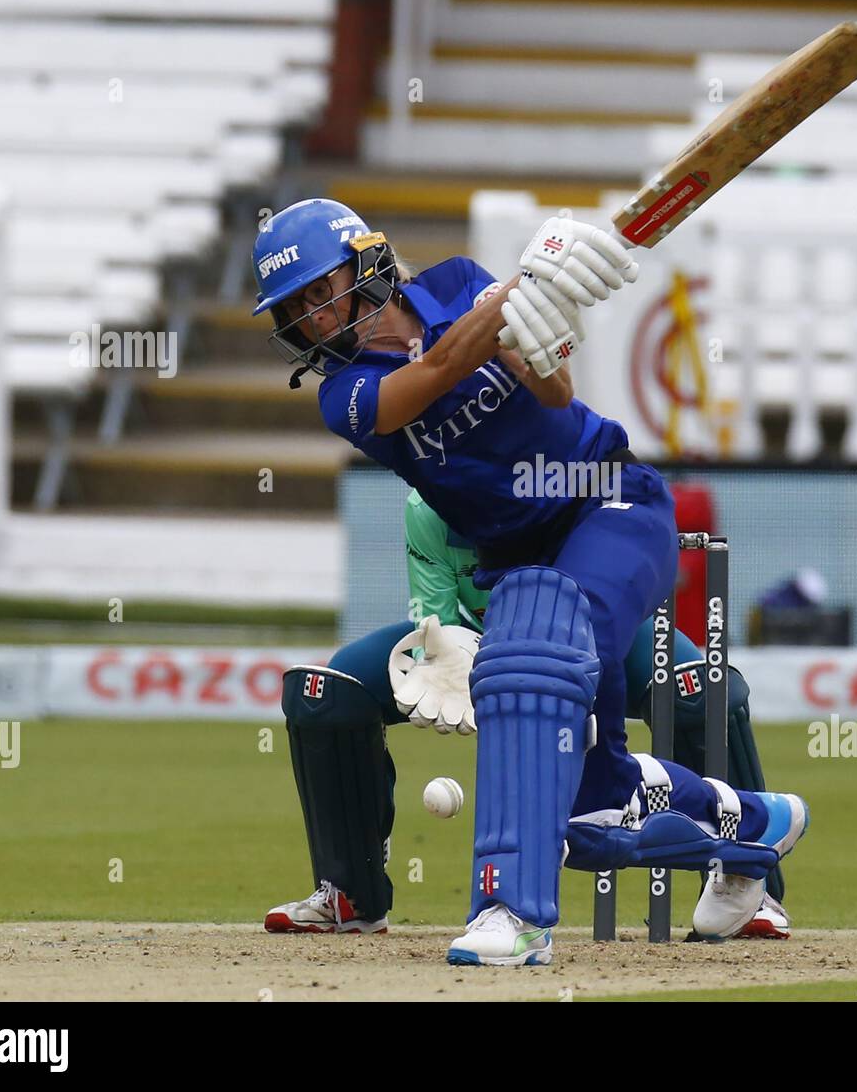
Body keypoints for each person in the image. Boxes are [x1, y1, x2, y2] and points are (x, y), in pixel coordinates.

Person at [252, 198, 807, 964]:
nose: (317, 318)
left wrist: (533, 333)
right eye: (299, 309)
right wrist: (522, 286)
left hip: (608, 502)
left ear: (366, 264)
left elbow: (553, 395)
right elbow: (439, 370)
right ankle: (749, 824)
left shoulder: (456, 286)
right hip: (520, 559)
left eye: (323, 291)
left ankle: (512, 916)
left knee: (530, 670)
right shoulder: (344, 396)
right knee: (595, 811)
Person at [265, 487, 792, 938]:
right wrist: (455, 668)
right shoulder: (426, 507)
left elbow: (593, 594)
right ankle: (350, 896)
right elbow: (438, 619)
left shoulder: (554, 490)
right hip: (476, 636)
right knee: (324, 692)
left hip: (592, 631)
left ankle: (750, 883)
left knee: (701, 689)